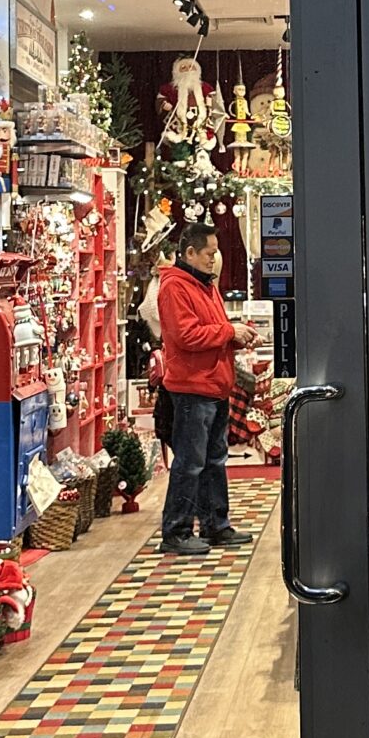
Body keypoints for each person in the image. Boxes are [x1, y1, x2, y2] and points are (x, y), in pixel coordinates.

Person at [155, 221, 253, 557]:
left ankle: (216, 525)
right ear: (190, 253)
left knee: (213, 461)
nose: (214, 260)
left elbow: (209, 330)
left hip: (213, 386)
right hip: (191, 389)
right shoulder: (174, 287)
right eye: (209, 254)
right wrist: (229, 333)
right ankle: (177, 530)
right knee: (190, 463)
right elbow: (186, 336)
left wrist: (235, 335)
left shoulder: (203, 285)